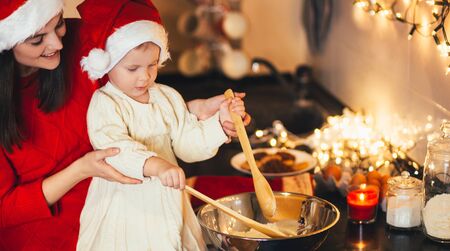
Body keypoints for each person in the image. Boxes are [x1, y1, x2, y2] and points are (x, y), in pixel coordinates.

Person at [0, 0, 249, 250]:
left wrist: (203, 114)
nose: (57, 43)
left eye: (59, 25)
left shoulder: (84, 41)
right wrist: (81, 170)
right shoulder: (95, 99)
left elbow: (135, 101)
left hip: (141, 203)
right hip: (55, 233)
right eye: (37, 39)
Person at [75, 1, 248, 250]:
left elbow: (187, 143)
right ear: (107, 62)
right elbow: (115, 150)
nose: (144, 77)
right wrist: (156, 165)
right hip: (125, 205)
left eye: (152, 65)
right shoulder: (105, 103)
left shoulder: (166, 96)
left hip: (167, 199)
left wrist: (219, 124)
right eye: (132, 68)